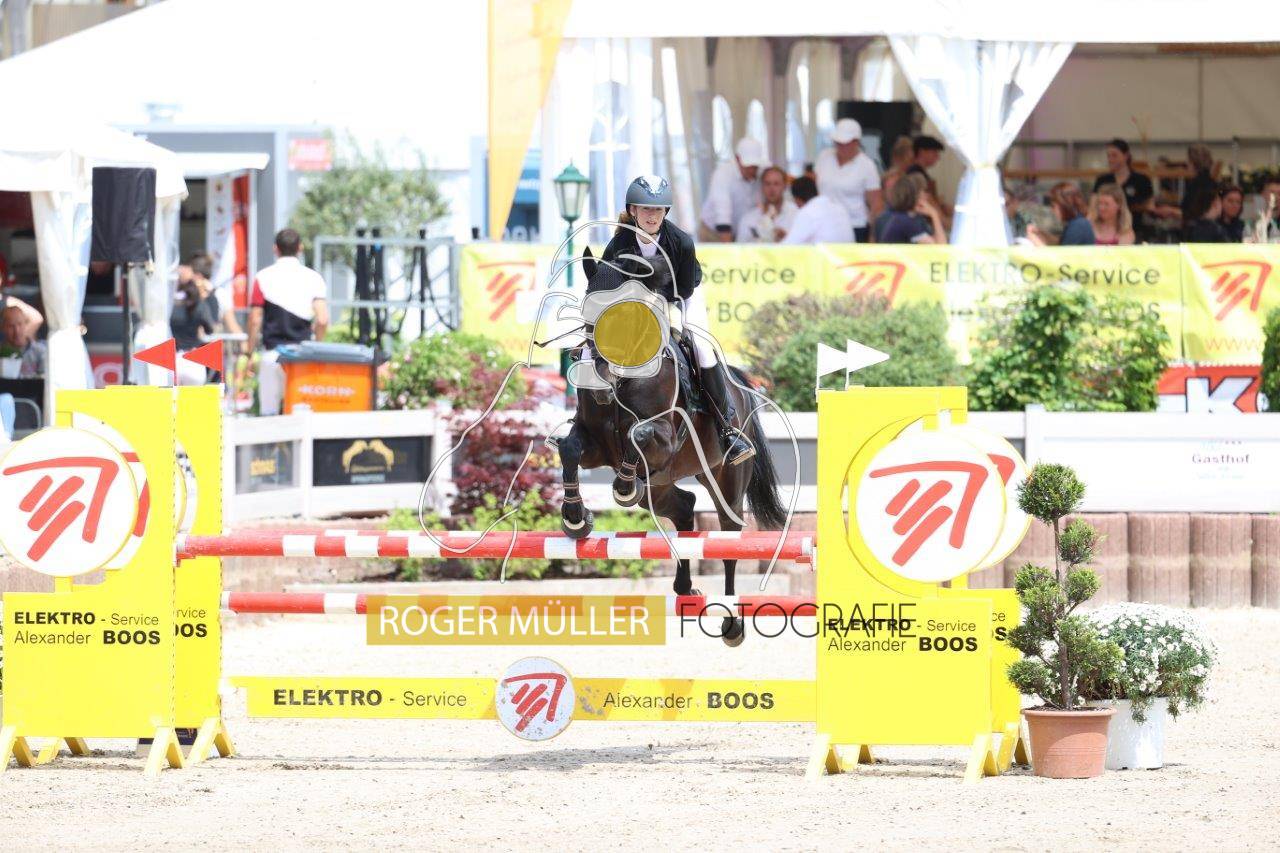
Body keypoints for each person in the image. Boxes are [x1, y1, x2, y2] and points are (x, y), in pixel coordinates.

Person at [603, 175, 754, 465]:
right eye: (646, 209)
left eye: (658, 210)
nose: (652, 216)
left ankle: (727, 428)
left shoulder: (680, 241)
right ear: (633, 210)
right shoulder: (619, 242)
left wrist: (652, 302)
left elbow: (683, 289)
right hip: (638, 306)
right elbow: (609, 282)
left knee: (701, 348)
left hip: (680, 298)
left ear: (665, 212)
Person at [246, 228, 329, 416]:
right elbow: (323, 320)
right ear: (300, 248)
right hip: (301, 356)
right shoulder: (314, 278)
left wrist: (249, 352)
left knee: (269, 415)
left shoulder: (262, 277)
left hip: (272, 355)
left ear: (275, 248)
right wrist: (317, 347)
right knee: (300, 415)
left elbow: (255, 319)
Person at [813, 118, 882, 242]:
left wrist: (873, 235)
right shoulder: (824, 157)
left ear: (856, 142)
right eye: (838, 142)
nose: (840, 146)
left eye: (845, 143)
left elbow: (875, 204)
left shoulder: (867, 166)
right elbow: (815, 187)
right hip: (824, 223)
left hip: (855, 225)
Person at [699, 137, 766, 242]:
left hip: (738, 231)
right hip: (713, 232)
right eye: (749, 166)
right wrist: (728, 249)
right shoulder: (722, 175)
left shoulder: (762, 170)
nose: (752, 170)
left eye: (755, 166)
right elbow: (723, 216)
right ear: (737, 159)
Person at [170, 275, 218, 386]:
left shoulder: (172, 307)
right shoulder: (199, 306)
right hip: (194, 361)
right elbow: (210, 329)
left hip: (174, 360)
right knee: (194, 397)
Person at [1093, 138, 1155, 222]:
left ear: (1126, 156)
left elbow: (1150, 206)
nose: (1110, 160)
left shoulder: (1142, 180)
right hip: (1107, 226)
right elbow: (1093, 206)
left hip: (1135, 226)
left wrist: (1128, 207)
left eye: (1114, 155)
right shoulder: (1102, 180)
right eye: (1108, 156)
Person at [782, 177, 853, 244]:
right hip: (848, 252)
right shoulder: (839, 208)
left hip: (827, 253)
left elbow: (789, 246)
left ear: (797, 199)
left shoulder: (808, 212)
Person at [736, 166, 797, 243]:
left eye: (776, 184)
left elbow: (806, 245)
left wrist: (786, 238)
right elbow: (740, 248)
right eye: (767, 184)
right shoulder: (749, 219)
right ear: (762, 187)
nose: (772, 189)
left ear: (784, 186)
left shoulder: (796, 215)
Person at [878, 175, 944, 244]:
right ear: (916, 197)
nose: (927, 196)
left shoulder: (913, 218)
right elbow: (941, 247)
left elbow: (935, 240)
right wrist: (934, 214)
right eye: (924, 192)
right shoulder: (905, 221)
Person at [1, 296, 45, 377]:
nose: (17, 331)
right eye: (11, 326)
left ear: (25, 324)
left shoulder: (40, 352)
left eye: (20, 324)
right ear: (3, 327)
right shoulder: (1, 352)